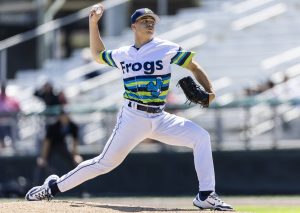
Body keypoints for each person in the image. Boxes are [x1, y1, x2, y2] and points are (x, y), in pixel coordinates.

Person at [25, 5, 233, 211]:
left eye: (152, 21)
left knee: (201, 137)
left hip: (160, 117)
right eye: (145, 21)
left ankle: (206, 195)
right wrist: (93, 23)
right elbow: (98, 55)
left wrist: (210, 90)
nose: (150, 23)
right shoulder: (123, 53)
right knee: (104, 163)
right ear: (133, 26)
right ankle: (52, 188)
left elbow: (193, 66)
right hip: (133, 116)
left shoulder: (166, 47)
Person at [33, 109, 82, 183]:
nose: (64, 118)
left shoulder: (73, 126)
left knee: (74, 163)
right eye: (63, 116)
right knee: (41, 164)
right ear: (59, 117)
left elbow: (74, 142)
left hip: (62, 145)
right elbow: (47, 143)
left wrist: (75, 155)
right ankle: (35, 187)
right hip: (51, 147)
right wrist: (43, 157)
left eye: (66, 115)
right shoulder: (53, 126)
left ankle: (82, 190)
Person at [0, 84, 20, 149]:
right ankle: (2, 146)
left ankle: (14, 146)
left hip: (10, 122)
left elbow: (17, 107)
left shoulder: (11, 99)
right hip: (1, 123)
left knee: (12, 127)